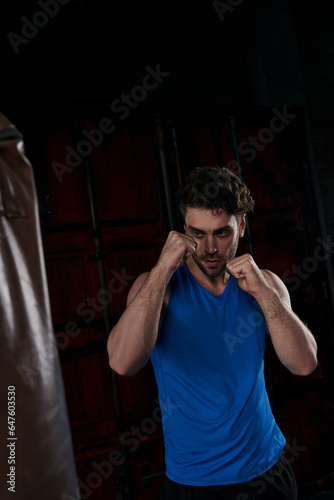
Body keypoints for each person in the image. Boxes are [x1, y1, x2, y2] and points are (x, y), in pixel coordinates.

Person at [107, 166, 318, 499]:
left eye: (221, 233)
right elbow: (122, 363)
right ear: (183, 231)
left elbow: (305, 364)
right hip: (194, 482)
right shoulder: (158, 288)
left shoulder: (264, 284)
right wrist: (162, 268)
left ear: (241, 226)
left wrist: (264, 293)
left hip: (268, 470)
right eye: (197, 233)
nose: (208, 248)